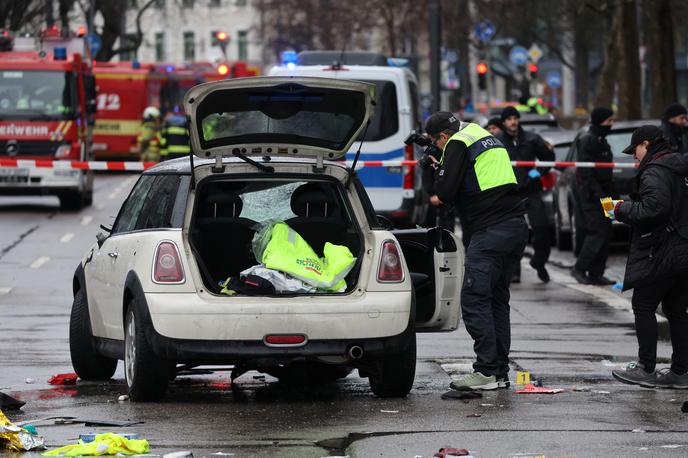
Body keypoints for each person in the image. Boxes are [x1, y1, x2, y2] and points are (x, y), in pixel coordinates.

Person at [426, 111, 527, 390]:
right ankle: (498, 371)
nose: (436, 148)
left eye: (435, 143)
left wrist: (440, 167)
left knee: (474, 297)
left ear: (443, 137)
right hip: (515, 226)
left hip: (491, 230)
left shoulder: (457, 143)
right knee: (496, 300)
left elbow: (444, 192)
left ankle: (485, 372)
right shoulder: (484, 135)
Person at [609, 125, 688, 388]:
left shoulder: (655, 171)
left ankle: (646, 368)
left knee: (643, 305)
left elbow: (654, 208)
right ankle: (680, 372)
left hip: (662, 250)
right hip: (683, 248)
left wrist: (621, 209)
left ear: (646, 144)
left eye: (635, 151)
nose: (634, 157)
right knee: (677, 311)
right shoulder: (679, 165)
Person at [498, 106, 555, 283]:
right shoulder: (497, 141)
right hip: (509, 192)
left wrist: (537, 172)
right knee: (513, 233)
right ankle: (514, 270)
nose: (513, 122)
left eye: (515, 118)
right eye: (509, 119)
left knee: (542, 228)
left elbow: (549, 158)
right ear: (503, 122)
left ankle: (539, 262)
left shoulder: (532, 138)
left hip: (531, 189)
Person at [570, 107, 616, 285]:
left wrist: (612, 196)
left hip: (606, 194)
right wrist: (601, 196)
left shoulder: (601, 140)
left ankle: (597, 272)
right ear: (600, 121)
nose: (611, 124)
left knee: (607, 232)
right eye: (609, 121)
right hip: (593, 196)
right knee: (598, 231)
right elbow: (586, 173)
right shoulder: (588, 140)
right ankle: (580, 268)